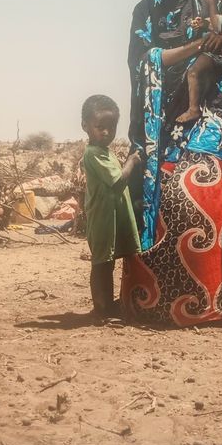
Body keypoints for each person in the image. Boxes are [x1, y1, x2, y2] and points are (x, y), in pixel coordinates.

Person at [123, 0, 222, 326]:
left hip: (209, 110)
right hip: (161, 116)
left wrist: (219, 42)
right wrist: (196, 46)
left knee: (209, 196)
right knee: (160, 199)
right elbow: (143, 62)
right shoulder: (146, 11)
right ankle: (151, 304)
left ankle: (204, 303)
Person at [81, 94, 141, 319]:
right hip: (102, 219)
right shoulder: (94, 154)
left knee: (107, 263)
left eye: (111, 127)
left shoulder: (103, 151)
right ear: (85, 126)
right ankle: (101, 308)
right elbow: (117, 182)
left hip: (110, 217)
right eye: (100, 127)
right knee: (101, 264)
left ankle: (106, 305)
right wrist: (132, 162)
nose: (106, 132)